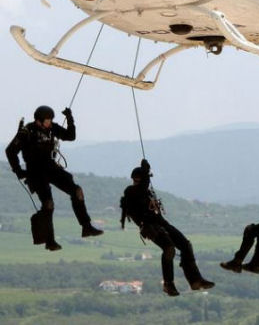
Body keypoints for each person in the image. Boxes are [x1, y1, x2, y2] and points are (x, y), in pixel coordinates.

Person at [5, 105, 103, 251]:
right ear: (39, 121)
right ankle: (49, 241)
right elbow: (10, 151)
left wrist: (70, 118)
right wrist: (18, 170)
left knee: (77, 191)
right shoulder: (27, 131)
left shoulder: (51, 128)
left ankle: (86, 227)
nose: (50, 122)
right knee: (48, 204)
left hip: (50, 167)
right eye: (47, 120)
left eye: (51, 120)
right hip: (35, 172)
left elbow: (70, 136)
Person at [120, 160, 214, 296]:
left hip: (161, 223)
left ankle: (195, 281)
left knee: (185, 245)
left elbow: (147, 195)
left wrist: (146, 173)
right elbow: (141, 189)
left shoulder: (146, 192)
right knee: (169, 249)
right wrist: (146, 172)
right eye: (143, 178)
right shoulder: (130, 192)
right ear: (137, 179)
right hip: (150, 227)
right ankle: (168, 285)